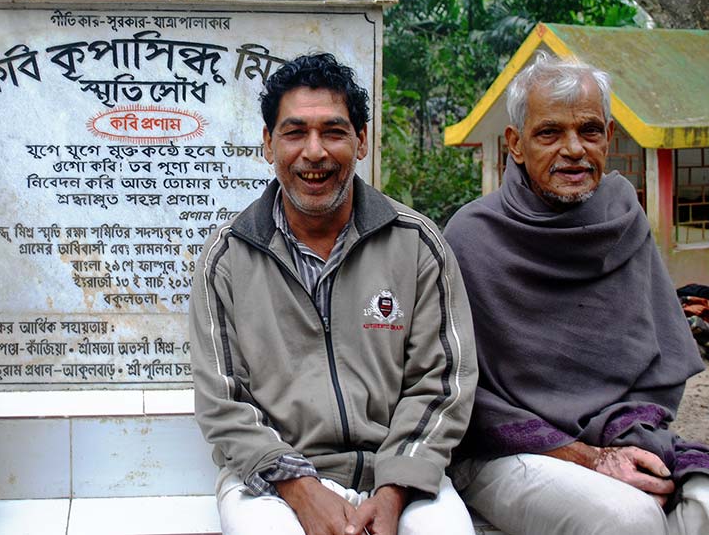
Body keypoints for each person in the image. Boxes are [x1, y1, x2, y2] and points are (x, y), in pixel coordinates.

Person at [189, 53, 478, 535]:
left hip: (397, 469)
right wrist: (302, 490)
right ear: (268, 143)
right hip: (270, 482)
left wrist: (394, 490)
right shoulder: (228, 259)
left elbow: (443, 382)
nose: (315, 152)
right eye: (295, 131)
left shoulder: (417, 245)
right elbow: (223, 402)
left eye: (334, 131)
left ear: (361, 141)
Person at [445, 53, 709, 534]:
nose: (573, 149)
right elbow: (454, 389)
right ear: (515, 144)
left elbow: (659, 363)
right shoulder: (471, 237)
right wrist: (587, 457)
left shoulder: (624, 220)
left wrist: (624, 442)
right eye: (549, 133)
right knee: (629, 520)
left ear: (608, 137)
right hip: (502, 450)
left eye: (588, 131)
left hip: (621, 437)